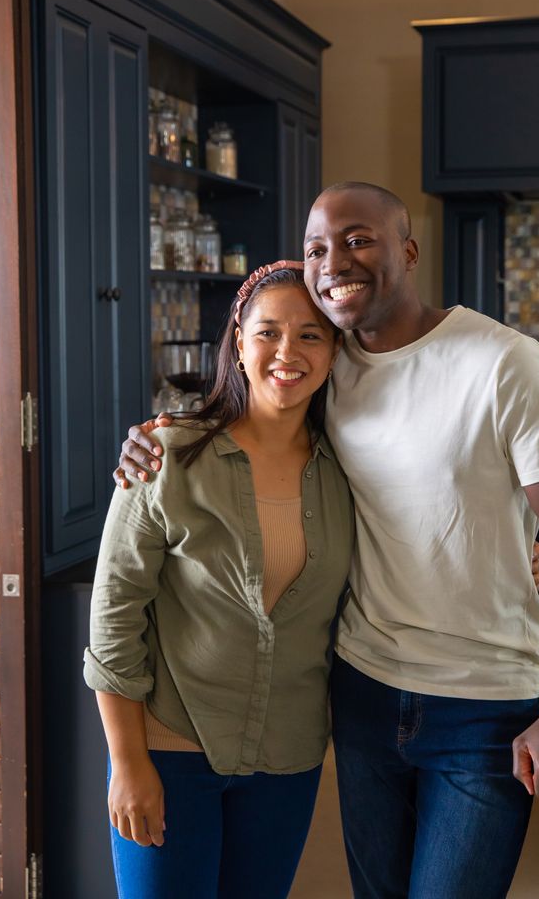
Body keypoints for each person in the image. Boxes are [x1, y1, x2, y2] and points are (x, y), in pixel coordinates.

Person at [117, 183, 539, 899]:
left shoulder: (504, 363)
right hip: (364, 692)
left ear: (407, 251)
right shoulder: (328, 365)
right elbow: (251, 408)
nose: (334, 261)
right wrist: (149, 438)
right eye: (318, 247)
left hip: (483, 703)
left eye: (357, 239)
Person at [84, 263, 355, 899]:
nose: (287, 353)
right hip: (168, 747)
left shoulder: (351, 473)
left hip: (287, 756)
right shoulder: (168, 456)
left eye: (311, 335)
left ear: (336, 350)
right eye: (268, 332)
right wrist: (127, 762)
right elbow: (114, 615)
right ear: (238, 340)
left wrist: (524, 556)